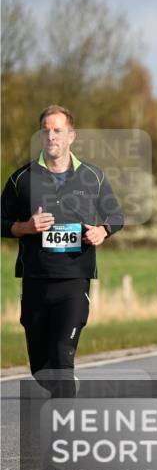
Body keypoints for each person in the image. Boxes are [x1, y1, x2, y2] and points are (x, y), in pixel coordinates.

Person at [1, 105, 124, 396]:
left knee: (62, 358)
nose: (51, 136)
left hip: (74, 279)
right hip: (35, 280)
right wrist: (24, 228)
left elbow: (116, 215)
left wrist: (102, 231)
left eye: (57, 130)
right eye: (45, 130)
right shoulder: (22, 178)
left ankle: (63, 433)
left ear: (71, 136)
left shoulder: (92, 176)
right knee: (41, 370)